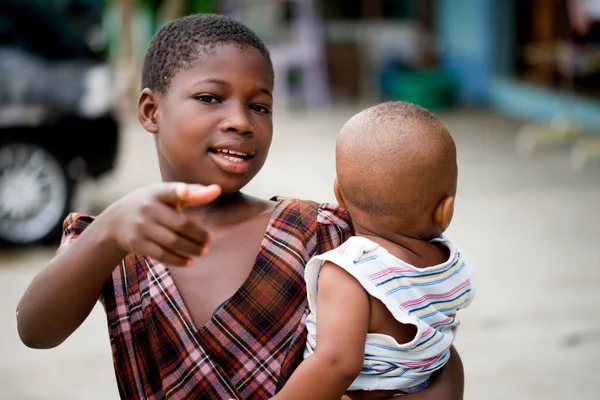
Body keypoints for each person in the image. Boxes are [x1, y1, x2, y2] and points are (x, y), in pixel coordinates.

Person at [16, 13, 464, 399]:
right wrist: (110, 230)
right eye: (210, 98)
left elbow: (431, 350)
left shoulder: (320, 230)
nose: (241, 122)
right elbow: (35, 330)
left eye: (260, 106)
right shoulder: (112, 242)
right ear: (152, 111)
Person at [272, 102, 474, 400]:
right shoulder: (451, 264)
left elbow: (336, 364)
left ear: (339, 195)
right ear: (445, 210)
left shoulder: (350, 272)